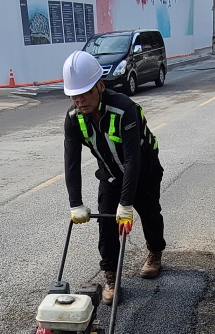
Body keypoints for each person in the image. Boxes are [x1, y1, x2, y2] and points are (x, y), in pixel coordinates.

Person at [61, 50, 165, 302]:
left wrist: (127, 203)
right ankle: (110, 276)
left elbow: (133, 160)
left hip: (144, 171)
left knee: (149, 213)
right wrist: (75, 202)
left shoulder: (125, 109)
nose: (80, 101)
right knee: (107, 224)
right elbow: (71, 162)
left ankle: (155, 252)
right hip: (110, 174)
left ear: (100, 86)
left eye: (85, 93)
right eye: (75, 95)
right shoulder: (74, 119)